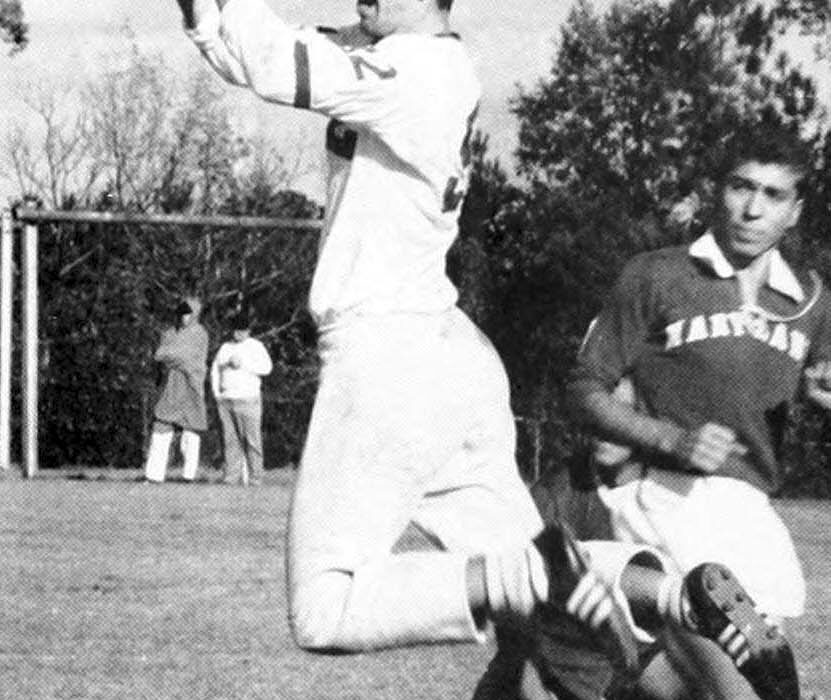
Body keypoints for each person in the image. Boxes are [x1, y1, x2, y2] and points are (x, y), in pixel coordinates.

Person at [173, 1, 792, 697]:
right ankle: (678, 595)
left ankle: (543, 571)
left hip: (387, 353)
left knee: (327, 608)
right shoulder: (420, 60)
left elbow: (267, 59)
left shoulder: (415, 69)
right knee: (540, 611)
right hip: (446, 355)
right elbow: (249, 43)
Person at [566, 122, 830, 699]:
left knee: (674, 690)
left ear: (795, 211)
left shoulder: (810, 301)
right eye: (741, 187)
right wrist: (671, 439)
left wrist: (823, 392)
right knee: (741, 693)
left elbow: (820, 383)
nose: (751, 209)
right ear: (718, 190)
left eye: (773, 195)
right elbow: (585, 391)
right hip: (667, 499)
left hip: (751, 510)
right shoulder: (657, 274)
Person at [144, 296, 209, 483]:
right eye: (182, 313)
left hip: (191, 387)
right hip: (170, 388)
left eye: (188, 313)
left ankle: (188, 475)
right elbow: (159, 354)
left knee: (191, 431)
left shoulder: (200, 334)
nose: (184, 318)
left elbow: (189, 358)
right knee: (161, 428)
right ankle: (154, 475)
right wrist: (175, 356)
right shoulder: (169, 333)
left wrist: (172, 355)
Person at [210, 311, 273, 486]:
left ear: (248, 331)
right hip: (226, 399)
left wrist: (244, 364)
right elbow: (215, 370)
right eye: (236, 330)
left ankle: (255, 478)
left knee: (252, 441)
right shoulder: (225, 348)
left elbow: (267, 368)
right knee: (230, 441)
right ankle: (231, 477)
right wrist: (217, 393)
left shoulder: (256, 346)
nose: (238, 334)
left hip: (248, 399)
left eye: (242, 330)